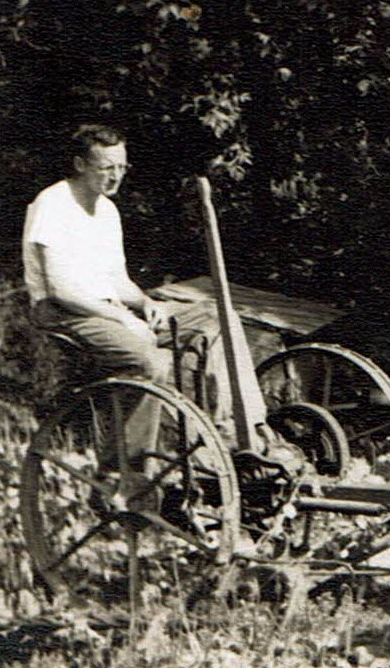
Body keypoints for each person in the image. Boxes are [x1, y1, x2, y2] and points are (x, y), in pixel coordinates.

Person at [23, 123, 233, 438]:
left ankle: (235, 431)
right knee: (148, 361)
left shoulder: (107, 210)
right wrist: (123, 318)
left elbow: (118, 280)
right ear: (80, 164)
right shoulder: (53, 204)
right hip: (63, 312)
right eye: (107, 168)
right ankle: (131, 461)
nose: (116, 176)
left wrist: (146, 303)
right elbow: (61, 290)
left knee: (216, 322)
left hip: (106, 307)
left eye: (122, 167)